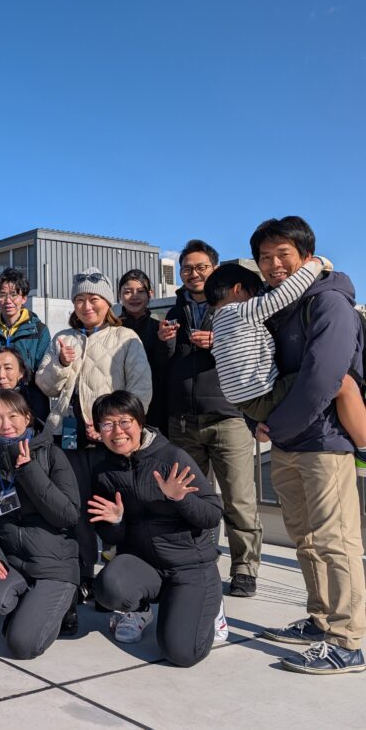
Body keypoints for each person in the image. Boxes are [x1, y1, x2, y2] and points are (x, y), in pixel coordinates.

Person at [250, 216, 366, 674]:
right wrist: (257, 420)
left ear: (307, 257)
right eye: (265, 257)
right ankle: (321, 621)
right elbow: (260, 376)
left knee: (335, 542)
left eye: (283, 254)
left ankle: (348, 640)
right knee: (306, 539)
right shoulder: (277, 307)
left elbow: (325, 378)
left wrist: (274, 425)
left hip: (325, 443)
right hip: (288, 442)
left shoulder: (329, 302)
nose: (274, 264)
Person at [34, 268, 151, 600]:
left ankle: (119, 578)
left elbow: (141, 390)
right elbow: (44, 384)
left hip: (111, 441)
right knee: (77, 508)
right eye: (80, 300)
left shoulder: (125, 337)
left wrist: (113, 429)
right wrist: (60, 363)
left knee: (115, 508)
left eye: (94, 299)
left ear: (107, 302)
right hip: (69, 438)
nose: (87, 306)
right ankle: (84, 572)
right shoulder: (63, 338)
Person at [87, 390, 226, 668]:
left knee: (182, 653)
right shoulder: (103, 470)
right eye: (108, 424)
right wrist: (116, 521)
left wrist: (179, 498)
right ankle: (140, 610)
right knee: (108, 588)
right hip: (144, 564)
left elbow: (212, 514)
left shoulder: (172, 457)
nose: (117, 431)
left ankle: (211, 606)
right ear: (98, 430)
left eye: (125, 422)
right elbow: (111, 536)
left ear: (140, 422)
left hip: (188, 567)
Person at [158, 241, 261, 599]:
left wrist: (219, 342)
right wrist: (164, 343)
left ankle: (244, 568)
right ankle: (195, 559)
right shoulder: (173, 312)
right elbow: (163, 367)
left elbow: (253, 353)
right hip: (183, 421)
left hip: (228, 417)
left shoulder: (236, 308)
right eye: (187, 268)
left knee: (239, 499)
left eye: (201, 267)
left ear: (214, 269)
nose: (194, 274)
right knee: (188, 498)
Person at [205, 259, 366, 447]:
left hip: (245, 405)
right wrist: (316, 264)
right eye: (255, 294)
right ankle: (364, 447)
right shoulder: (240, 311)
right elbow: (284, 295)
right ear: (238, 289)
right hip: (264, 398)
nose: (257, 299)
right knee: (339, 380)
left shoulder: (217, 322)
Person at [0, 389, 80, 658]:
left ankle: (64, 602)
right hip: (14, 563)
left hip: (53, 566)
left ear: (27, 417)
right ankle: (29, 605)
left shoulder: (51, 455)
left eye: (13, 416)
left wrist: (29, 471)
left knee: (23, 645)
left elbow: (68, 515)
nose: (5, 424)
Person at [0, 267, 51, 412]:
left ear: (24, 298)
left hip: (28, 409)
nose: (8, 301)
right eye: (2, 295)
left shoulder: (39, 330)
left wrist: (33, 411)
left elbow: (42, 373)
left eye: (14, 294)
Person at [118, 269, 170, 432]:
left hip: (156, 409)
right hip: (118, 407)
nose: (134, 296)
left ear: (150, 294)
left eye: (140, 291)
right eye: (128, 292)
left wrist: (164, 342)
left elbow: (165, 368)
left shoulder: (160, 328)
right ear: (119, 295)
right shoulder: (111, 329)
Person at [0, 348, 50, 450]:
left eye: (8, 368)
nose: (1, 375)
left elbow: (42, 434)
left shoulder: (34, 396)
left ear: (21, 372)